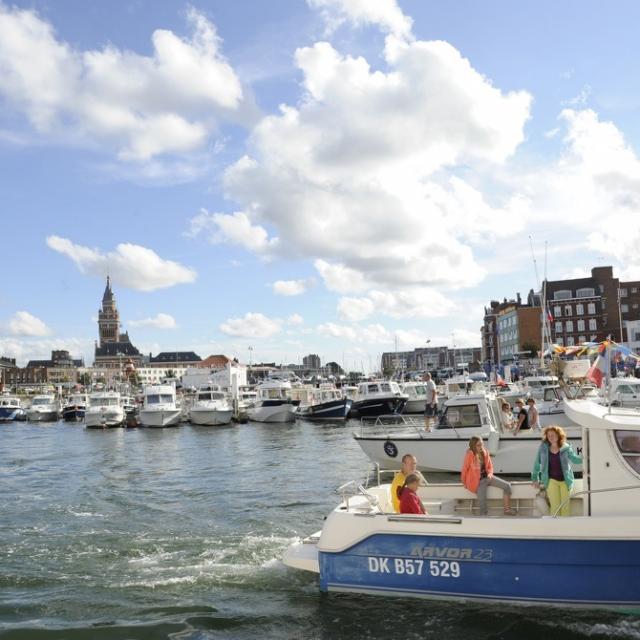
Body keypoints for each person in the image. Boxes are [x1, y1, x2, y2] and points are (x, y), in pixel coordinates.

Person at [531, 425, 582, 517]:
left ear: (559, 435)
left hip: (566, 481)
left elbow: (575, 459)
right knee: (555, 506)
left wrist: (587, 457)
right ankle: (555, 529)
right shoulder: (543, 448)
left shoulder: (566, 447)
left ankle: (565, 529)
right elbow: (537, 463)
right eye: (549, 435)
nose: (551, 437)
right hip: (551, 481)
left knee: (565, 507)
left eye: (553, 435)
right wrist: (535, 478)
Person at [461, 436, 516, 515]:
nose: (481, 447)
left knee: (507, 486)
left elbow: (490, 467)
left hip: (488, 478)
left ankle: (507, 510)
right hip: (478, 483)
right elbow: (464, 470)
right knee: (483, 506)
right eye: (478, 445)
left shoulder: (485, 452)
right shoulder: (469, 455)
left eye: (482, 444)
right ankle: (483, 522)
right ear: (473, 446)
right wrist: (464, 483)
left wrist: (490, 474)